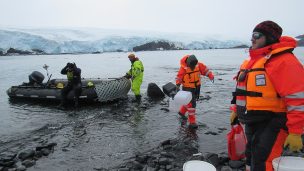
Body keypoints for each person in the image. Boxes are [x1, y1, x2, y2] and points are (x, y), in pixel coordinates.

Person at [230, 20, 304, 171]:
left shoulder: (284, 61)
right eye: (252, 35)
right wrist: (235, 110)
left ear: (270, 38)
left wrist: (296, 131)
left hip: (274, 120)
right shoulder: (251, 62)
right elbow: (241, 91)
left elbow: (297, 98)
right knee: (250, 155)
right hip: (252, 119)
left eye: (257, 35)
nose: (252, 39)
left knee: (263, 160)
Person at [176, 55, 214, 129]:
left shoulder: (199, 65)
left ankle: (181, 112)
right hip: (187, 88)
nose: (193, 66)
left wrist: (210, 75)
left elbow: (205, 70)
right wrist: (177, 84)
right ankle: (192, 122)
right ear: (188, 63)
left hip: (196, 87)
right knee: (192, 105)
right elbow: (179, 77)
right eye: (191, 65)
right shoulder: (183, 68)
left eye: (194, 65)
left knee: (188, 102)